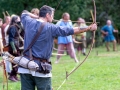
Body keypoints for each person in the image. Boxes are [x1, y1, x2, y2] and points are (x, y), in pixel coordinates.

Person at [19, 5, 97, 90]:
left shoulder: (28, 21)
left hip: (25, 67)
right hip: (40, 69)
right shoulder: (51, 27)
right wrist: (89, 28)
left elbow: (24, 13)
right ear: (47, 15)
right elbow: (71, 30)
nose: (53, 18)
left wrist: (38, 16)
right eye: (52, 15)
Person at [7, 15, 21, 82]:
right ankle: (12, 76)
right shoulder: (13, 27)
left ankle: (14, 76)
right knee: (15, 61)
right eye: (18, 19)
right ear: (15, 20)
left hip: (16, 47)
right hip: (13, 48)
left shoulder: (15, 27)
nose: (20, 20)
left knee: (17, 61)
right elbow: (11, 39)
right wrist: (14, 48)